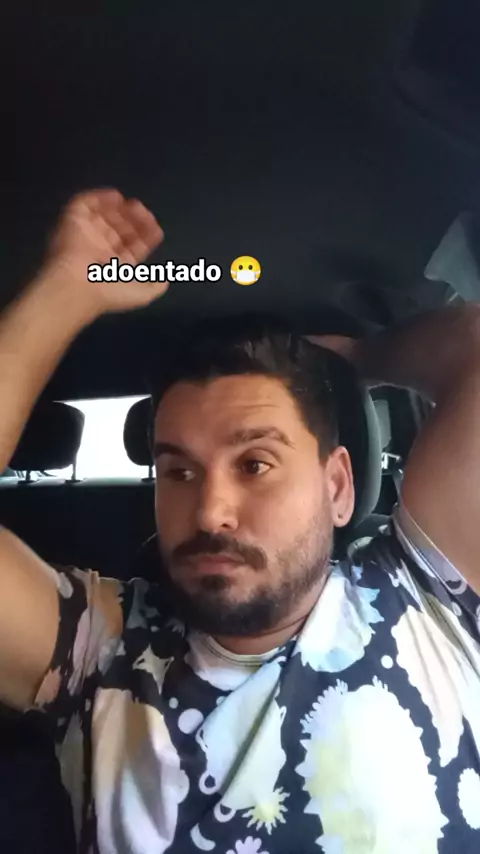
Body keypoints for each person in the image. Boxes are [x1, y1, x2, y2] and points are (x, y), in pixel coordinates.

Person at [0, 189, 479, 854]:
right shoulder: (99, 648)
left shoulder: (430, 596)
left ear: (338, 487)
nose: (210, 510)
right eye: (178, 471)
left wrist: (358, 360)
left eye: (255, 464)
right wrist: (66, 291)